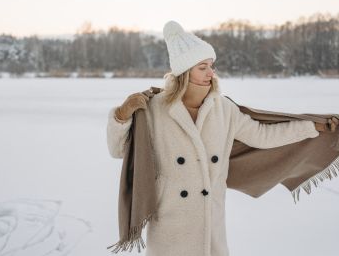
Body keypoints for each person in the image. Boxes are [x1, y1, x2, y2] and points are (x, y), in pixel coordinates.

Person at [106, 20, 334, 256]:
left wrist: (311, 127)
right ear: (185, 71)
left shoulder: (223, 109)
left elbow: (263, 136)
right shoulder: (155, 109)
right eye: (203, 67)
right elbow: (120, 150)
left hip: (210, 226)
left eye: (211, 66)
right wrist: (121, 116)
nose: (211, 73)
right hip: (170, 226)